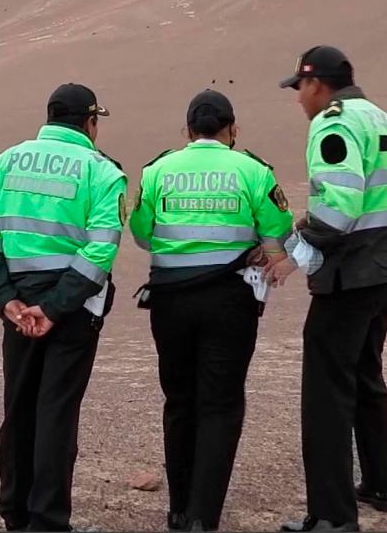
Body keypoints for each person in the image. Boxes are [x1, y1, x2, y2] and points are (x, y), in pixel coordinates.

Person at [267, 46, 387, 532]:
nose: (298, 100)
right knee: (365, 375)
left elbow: (339, 207)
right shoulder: (381, 117)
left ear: (316, 85)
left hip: (352, 273)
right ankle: (379, 484)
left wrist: (299, 242)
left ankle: (332, 517)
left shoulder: (334, 123)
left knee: (327, 392)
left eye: (299, 89)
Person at [129, 89, 294, 531]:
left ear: (186, 131)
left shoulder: (158, 169)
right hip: (230, 301)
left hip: (170, 300)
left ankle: (179, 510)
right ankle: (204, 516)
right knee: (220, 404)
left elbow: (142, 232)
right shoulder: (253, 170)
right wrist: (264, 247)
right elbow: (278, 229)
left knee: (179, 401)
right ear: (233, 130)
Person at [0, 83, 127, 532]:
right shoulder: (102, 171)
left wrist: (7, 300)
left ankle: (15, 513)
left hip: (17, 306)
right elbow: (101, 250)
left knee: (18, 408)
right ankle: (48, 521)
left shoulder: (1, 164)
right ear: (89, 122)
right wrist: (54, 308)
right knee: (56, 411)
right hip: (72, 307)